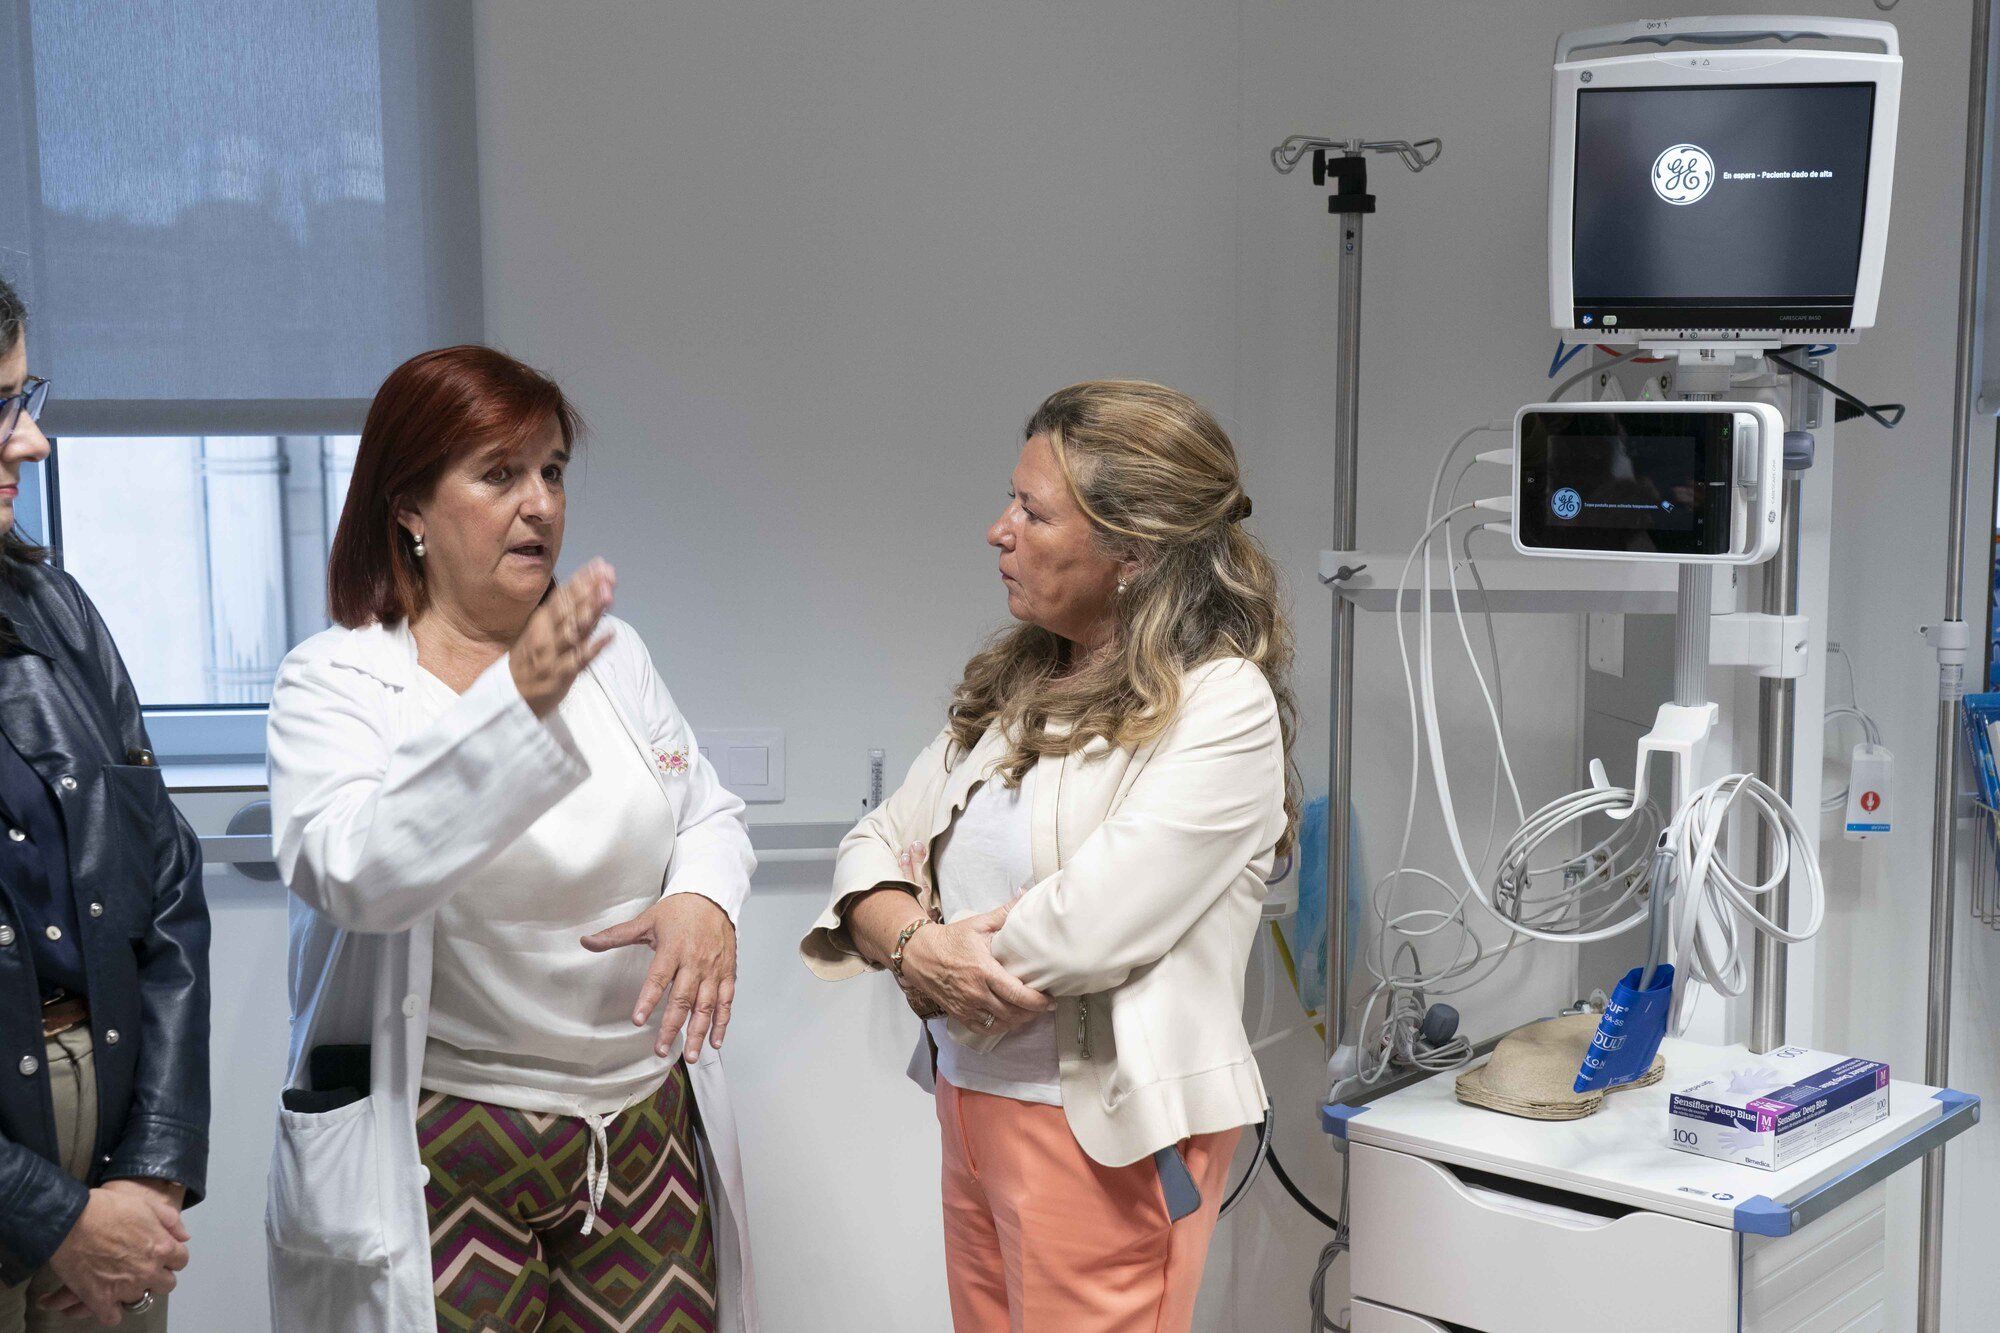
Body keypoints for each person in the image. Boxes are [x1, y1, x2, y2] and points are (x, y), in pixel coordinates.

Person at [265, 345, 758, 1331]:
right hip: (444, 1142)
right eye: (500, 474)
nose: (540, 503)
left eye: (552, 471)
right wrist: (516, 702)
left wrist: (704, 898)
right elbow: (356, 873)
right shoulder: (337, 681)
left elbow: (702, 808)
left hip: (638, 1131)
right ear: (410, 508)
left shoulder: (613, 656)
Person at [802, 380, 1298, 1331]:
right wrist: (913, 945)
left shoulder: (1221, 704)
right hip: (973, 1101)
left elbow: (1085, 929)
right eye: (1011, 502)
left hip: (1104, 1132)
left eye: (1032, 511)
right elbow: (873, 843)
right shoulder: (1023, 683)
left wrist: (919, 946)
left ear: (1133, 550)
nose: (999, 530)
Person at [0, 275, 209, 1330]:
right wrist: (50, 1216)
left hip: (114, 1180)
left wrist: (150, 1171)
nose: (32, 442)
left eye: (23, 397)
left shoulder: (56, 609)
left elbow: (167, 882)